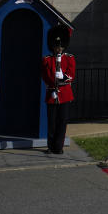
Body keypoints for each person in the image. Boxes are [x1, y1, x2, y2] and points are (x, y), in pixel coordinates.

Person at [41, 25, 74, 155]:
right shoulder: (47, 60)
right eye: (56, 46)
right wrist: (53, 82)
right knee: (52, 122)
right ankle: (50, 146)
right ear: (52, 46)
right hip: (51, 93)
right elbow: (45, 76)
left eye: (60, 46)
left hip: (65, 94)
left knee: (62, 121)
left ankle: (59, 146)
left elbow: (71, 74)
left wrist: (63, 78)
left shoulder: (69, 58)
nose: (58, 48)